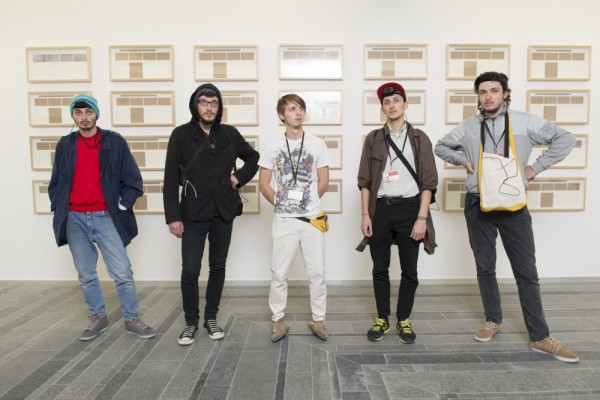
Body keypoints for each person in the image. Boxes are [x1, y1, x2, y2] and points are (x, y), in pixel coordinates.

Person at [434, 71, 579, 363]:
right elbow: (441, 146)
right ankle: (492, 320)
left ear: (505, 93)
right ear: (478, 96)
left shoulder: (525, 122)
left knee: (526, 272)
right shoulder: (469, 127)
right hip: (478, 204)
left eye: (494, 90)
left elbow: (565, 138)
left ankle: (540, 336)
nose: (488, 96)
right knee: (485, 266)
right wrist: (462, 159)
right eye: (482, 91)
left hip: (513, 206)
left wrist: (535, 168)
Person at [48, 94, 155, 341]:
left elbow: (133, 180)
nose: (84, 118)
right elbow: (56, 181)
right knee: (86, 273)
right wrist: (59, 207)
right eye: (78, 113)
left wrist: (122, 205)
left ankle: (131, 318)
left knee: (122, 272)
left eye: (88, 112)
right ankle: (98, 317)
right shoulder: (65, 144)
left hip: (106, 216)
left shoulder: (113, 142)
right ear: (73, 116)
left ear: (96, 114)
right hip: (74, 218)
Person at [163, 83, 259, 345]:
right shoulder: (180, 134)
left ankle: (211, 318)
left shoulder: (229, 133)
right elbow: (170, 178)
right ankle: (191, 322)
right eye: (204, 102)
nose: (209, 107)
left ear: (219, 107)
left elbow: (253, 157)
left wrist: (238, 178)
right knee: (190, 270)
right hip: (192, 213)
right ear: (196, 105)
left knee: (217, 267)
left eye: (214, 103)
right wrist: (173, 216)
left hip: (223, 212)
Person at [356, 82, 438, 343]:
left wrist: (421, 218)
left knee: (409, 270)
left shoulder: (420, 138)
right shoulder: (373, 139)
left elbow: (429, 183)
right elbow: (365, 180)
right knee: (379, 268)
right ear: (382, 108)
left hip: (411, 209)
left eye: (396, 101)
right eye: (387, 102)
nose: (392, 106)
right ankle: (382, 318)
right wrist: (365, 215)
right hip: (380, 209)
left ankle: (403, 318)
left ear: (405, 104)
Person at [258, 94, 330, 342]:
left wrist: (306, 203)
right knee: (279, 273)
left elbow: (323, 181)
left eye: (301, 108)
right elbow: (264, 184)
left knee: (317, 272)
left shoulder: (318, 144)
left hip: (312, 219)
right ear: (281, 115)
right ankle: (278, 319)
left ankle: (319, 319)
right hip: (284, 220)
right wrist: (283, 205)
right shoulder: (272, 146)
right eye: (292, 109)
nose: (298, 113)